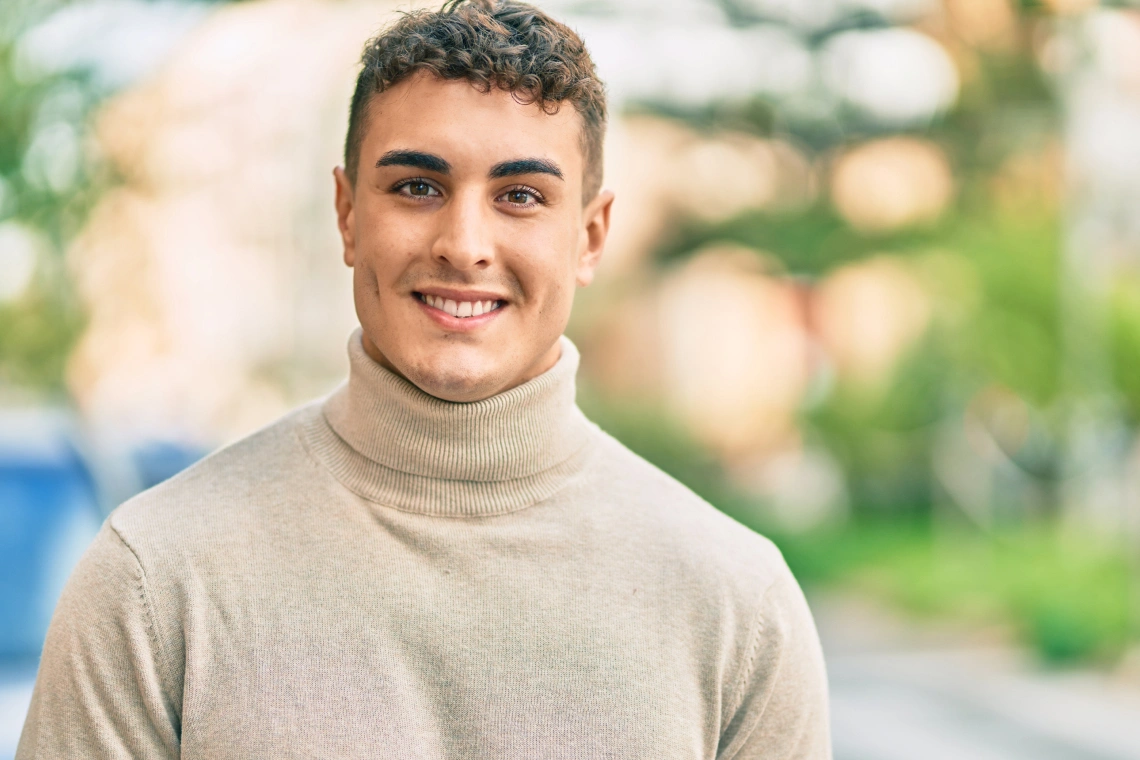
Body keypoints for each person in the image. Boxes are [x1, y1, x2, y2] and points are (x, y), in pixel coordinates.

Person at [17, 1, 831, 757]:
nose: (464, 243)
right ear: (346, 214)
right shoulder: (155, 582)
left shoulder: (734, 604)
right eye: (417, 187)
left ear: (589, 236)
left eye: (519, 195)